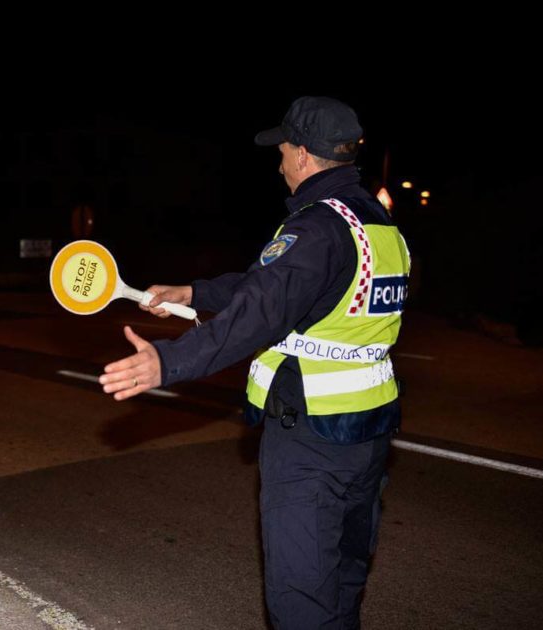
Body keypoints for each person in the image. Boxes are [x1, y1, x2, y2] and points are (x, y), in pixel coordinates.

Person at [98, 96, 411, 629]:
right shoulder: (376, 224)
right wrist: (195, 292)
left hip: (311, 439)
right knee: (342, 584)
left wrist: (168, 363)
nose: (280, 161)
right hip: (368, 435)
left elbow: (260, 312)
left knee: (301, 603)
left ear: (306, 157)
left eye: (285, 150)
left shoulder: (315, 228)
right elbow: (280, 288)